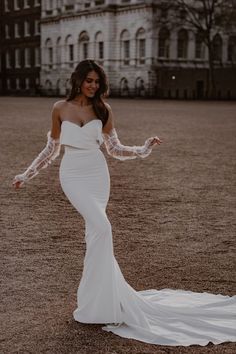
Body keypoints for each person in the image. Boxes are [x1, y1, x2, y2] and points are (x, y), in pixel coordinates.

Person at [13, 60, 236, 347]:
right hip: (73, 174)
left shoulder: (103, 110)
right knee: (102, 229)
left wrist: (143, 149)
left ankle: (98, 303)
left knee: (97, 233)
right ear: (78, 80)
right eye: (89, 80)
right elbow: (50, 149)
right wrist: (26, 174)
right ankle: (96, 301)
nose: (93, 85)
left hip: (97, 173)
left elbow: (114, 149)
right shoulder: (59, 108)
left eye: (97, 81)